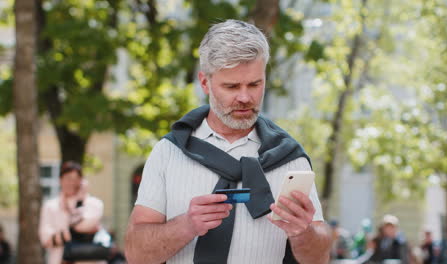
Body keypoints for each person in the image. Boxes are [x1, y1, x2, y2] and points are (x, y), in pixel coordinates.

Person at [125, 19, 332, 264]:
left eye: (255, 84)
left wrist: (303, 232)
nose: (245, 97)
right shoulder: (168, 153)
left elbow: (320, 259)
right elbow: (135, 254)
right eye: (232, 86)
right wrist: (186, 225)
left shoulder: (290, 159)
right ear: (205, 83)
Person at [39, 161, 105, 264]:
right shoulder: (50, 206)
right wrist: (74, 234)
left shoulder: (95, 204)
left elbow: (82, 227)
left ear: (82, 181)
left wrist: (80, 201)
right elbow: (45, 240)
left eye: (76, 179)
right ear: (60, 180)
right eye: (68, 178)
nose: (72, 183)